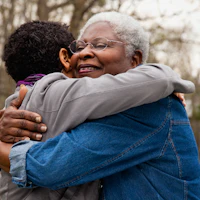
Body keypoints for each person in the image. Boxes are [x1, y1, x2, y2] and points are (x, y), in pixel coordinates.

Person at [0, 11, 199, 199]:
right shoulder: (89, 107)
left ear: (135, 60)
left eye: (100, 45)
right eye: (80, 47)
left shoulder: (152, 106)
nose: (84, 53)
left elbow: (50, 166)